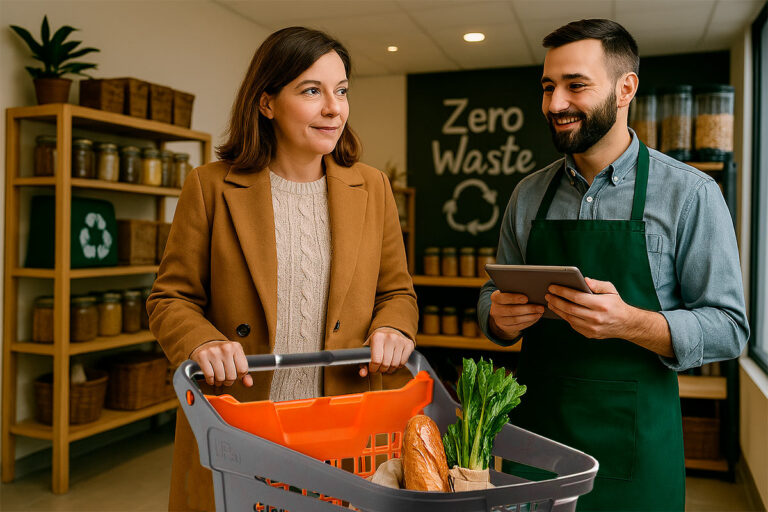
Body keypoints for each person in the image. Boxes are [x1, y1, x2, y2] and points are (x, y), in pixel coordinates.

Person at [477, 19, 748, 511]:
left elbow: (729, 328)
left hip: (638, 445)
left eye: (575, 85)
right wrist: (497, 317)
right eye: (547, 87)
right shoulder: (528, 194)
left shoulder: (690, 194)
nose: (555, 103)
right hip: (538, 438)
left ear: (626, 89)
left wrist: (631, 323)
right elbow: (488, 301)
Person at [148, 26, 418, 511]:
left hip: (343, 434)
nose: (333, 108)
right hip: (239, 425)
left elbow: (397, 293)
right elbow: (170, 298)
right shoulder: (209, 187)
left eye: (341, 91)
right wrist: (202, 341)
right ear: (267, 102)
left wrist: (394, 328)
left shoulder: (372, 188)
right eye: (312, 91)